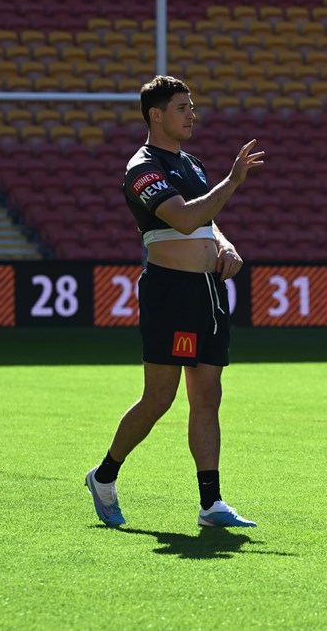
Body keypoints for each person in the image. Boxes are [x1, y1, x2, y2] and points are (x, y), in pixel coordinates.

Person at [85, 75, 265, 528]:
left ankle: (211, 504)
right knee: (159, 398)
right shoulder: (141, 167)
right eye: (183, 107)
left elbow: (206, 222)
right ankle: (103, 476)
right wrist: (233, 181)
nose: (192, 114)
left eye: (192, 106)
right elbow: (184, 219)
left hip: (208, 292)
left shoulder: (192, 163)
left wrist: (225, 245)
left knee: (208, 397)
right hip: (171, 292)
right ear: (156, 115)